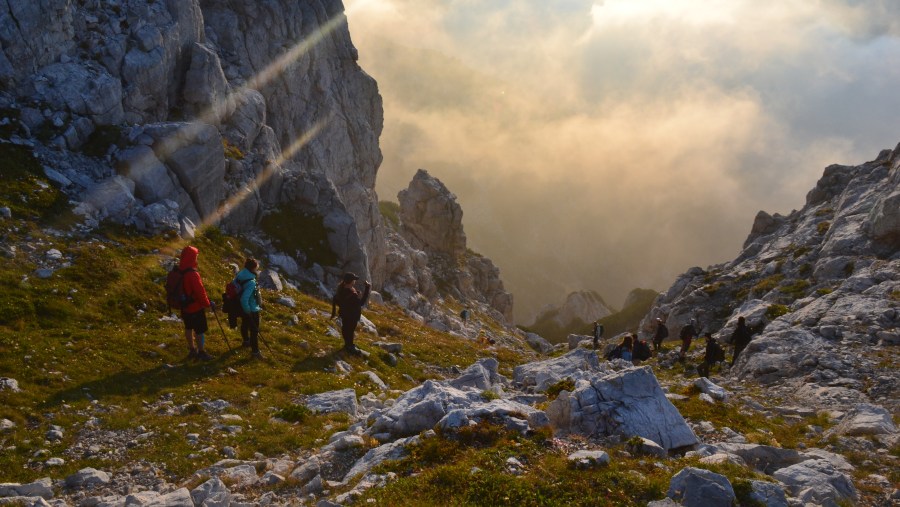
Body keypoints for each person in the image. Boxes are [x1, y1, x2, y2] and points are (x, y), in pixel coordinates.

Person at [178, 246, 214, 361]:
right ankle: (201, 352)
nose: (197, 258)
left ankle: (192, 349)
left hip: (184, 306)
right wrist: (207, 304)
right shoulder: (193, 274)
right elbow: (200, 291)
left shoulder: (179, 270)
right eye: (196, 256)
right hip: (195, 307)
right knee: (199, 330)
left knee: (188, 327)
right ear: (192, 257)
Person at [330, 272, 371, 354]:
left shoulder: (341, 289)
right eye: (354, 280)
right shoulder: (352, 294)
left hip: (344, 315)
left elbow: (340, 301)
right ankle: (350, 347)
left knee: (345, 330)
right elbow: (361, 303)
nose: (355, 281)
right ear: (352, 281)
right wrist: (367, 288)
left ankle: (347, 345)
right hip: (352, 316)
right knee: (350, 331)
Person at [234, 258, 263, 359]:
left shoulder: (240, 274)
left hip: (242, 307)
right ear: (253, 268)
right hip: (251, 308)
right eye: (256, 267)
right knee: (254, 331)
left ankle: (246, 341)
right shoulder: (251, 282)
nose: (257, 269)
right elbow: (244, 298)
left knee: (244, 324)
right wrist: (248, 311)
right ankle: (255, 353)